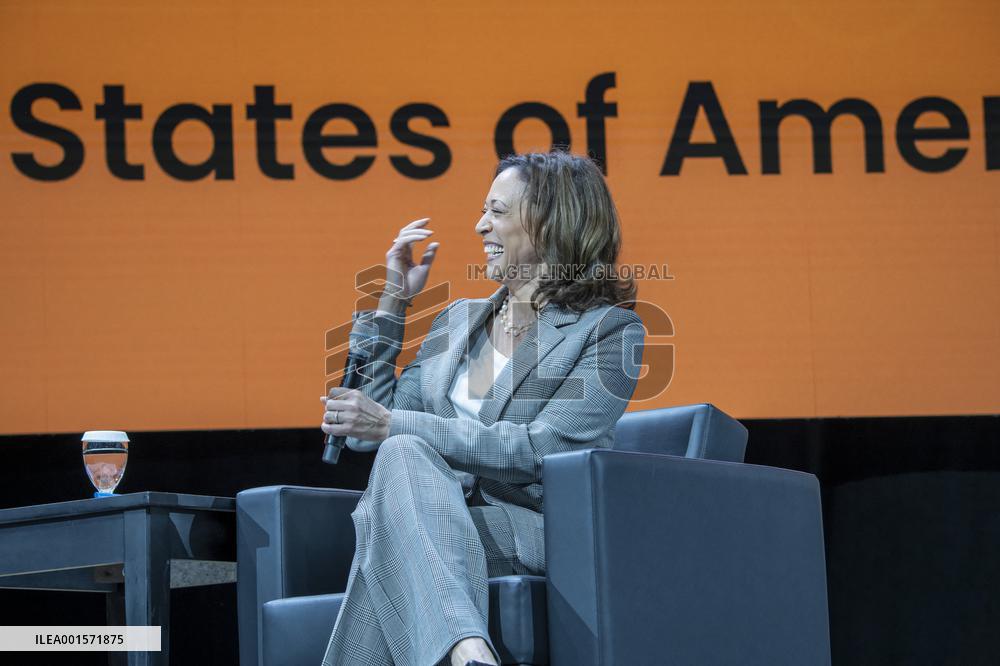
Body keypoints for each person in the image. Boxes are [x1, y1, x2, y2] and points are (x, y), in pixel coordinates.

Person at [319, 151, 645, 666]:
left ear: (548, 222)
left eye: (497, 211)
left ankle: (464, 651)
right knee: (400, 462)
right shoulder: (457, 320)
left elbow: (542, 450)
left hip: (521, 525)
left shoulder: (607, 331)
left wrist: (390, 425)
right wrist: (393, 302)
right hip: (426, 513)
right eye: (482, 210)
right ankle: (469, 654)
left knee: (393, 497)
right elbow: (367, 432)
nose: (479, 225)